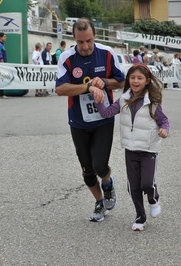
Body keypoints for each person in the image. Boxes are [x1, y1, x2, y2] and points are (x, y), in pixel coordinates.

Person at [55, 18, 125, 222]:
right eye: (80, 42)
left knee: (100, 165)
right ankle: (100, 203)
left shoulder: (107, 53)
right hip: (78, 122)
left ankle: (108, 183)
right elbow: (60, 89)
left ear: (95, 36)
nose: (85, 46)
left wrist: (103, 82)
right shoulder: (67, 58)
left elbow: (121, 81)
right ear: (74, 39)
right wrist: (88, 87)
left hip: (103, 119)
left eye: (89, 41)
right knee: (87, 171)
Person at [95, 63, 170, 231]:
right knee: (133, 187)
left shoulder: (153, 102)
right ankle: (140, 217)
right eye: (133, 77)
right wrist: (98, 101)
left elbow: (164, 121)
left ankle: (153, 198)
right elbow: (106, 113)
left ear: (147, 81)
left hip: (149, 149)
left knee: (147, 183)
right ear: (128, 80)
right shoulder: (124, 99)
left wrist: (165, 130)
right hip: (131, 149)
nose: (136, 81)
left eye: (140, 78)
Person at [0, 32, 8, 99]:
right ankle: (1, 93)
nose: (5, 38)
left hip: (3, 63)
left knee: (2, 78)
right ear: (1, 37)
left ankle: (1, 93)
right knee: (1, 78)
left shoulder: (2, 45)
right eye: (4, 37)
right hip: (1, 63)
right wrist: (2, 61)